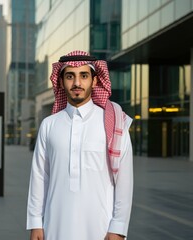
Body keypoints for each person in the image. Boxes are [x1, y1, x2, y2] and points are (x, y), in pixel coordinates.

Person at [27, 50, 133, 240]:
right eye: (70, 76)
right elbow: (39, 177)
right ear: (60, 81)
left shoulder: (114, 123)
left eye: (84, 76)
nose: (77, 83)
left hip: (101, 228)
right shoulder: (49, 125)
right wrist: (35, 222)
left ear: (94, 80)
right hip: (55, 226)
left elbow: (125, 181)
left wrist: (118, 227)